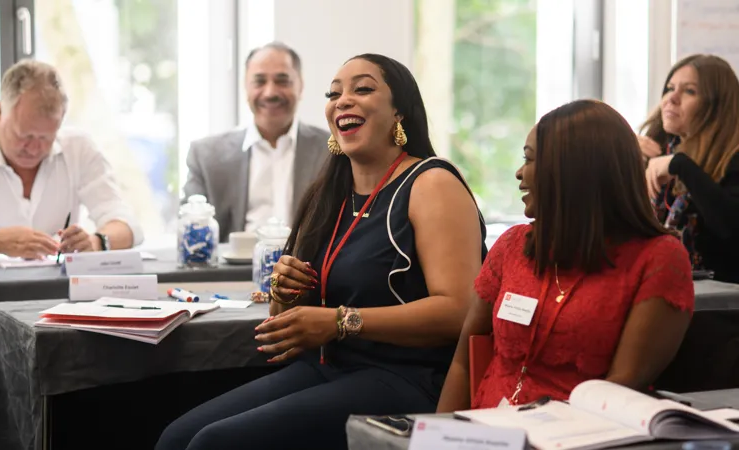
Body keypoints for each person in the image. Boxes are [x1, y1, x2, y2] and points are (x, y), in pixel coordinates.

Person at [156, 54, 487, 450]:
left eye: (362, 89)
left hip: (406, 377)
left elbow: (460, 310)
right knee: (176, 437)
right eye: (333, 94)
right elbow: (288, 327)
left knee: (214, 443)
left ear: (400, 110)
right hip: (330, 367)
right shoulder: (328, 194)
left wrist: (340, 321)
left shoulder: (431, 182)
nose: (342, 101)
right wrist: (285, 292)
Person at [437, 100, 694, 412]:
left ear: (574, 171)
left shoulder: (658, 259)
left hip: (577, 434)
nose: (519, 173)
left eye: (529, 160)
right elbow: (464, 361)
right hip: (486, 431)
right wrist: (438, 436)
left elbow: (622, 386)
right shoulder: (513, 245)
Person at [0, 60, 142, 261]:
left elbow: (127, 224)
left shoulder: (79, 150)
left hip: (60, 291)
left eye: (46, 137)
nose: (34, 149)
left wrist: (96, 242)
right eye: (24, 136)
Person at [182, 42, 330, 241]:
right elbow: (189, 229)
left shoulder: (332, 150)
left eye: (282, 81)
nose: (270, 92)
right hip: (232, 270)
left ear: (300, 86)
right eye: (259, 81)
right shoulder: (206, 156)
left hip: (308, 269)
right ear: (246, 87)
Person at [640, 54, 739, 283]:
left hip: (721, 305)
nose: (671, 98)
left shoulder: (732, 158)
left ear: (717, 106)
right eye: (670, 88)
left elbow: (731, 229)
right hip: (660, 286)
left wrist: (681, 165)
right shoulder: (657, 148)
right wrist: (622, 159)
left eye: (689, 91)